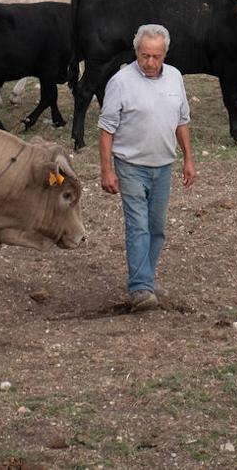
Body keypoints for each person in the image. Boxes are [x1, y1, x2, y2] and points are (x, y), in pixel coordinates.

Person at [97, 23, 196, 311]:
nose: (150, 63)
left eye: (156, 56)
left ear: (165, 53)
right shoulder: (120, 82)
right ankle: (140, 287)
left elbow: (182, 120)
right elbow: (106, 129)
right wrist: (107, 170)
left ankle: (146, 279)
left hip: (163, 164)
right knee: (138, 225)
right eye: (144, 56)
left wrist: (188, 158)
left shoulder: (175, 78)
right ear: (136, 52)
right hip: (130, 164)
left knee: (156, 227)